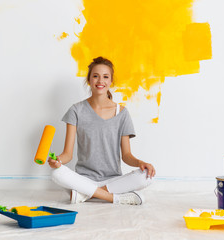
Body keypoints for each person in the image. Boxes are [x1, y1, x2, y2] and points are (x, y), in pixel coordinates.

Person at [48, 56, 156, 205]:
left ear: (111, 81)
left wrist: (140, 163)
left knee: (147, 176)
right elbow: (67, 154)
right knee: (56, 173)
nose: (100, 81)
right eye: (96, 76)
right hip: (84, 178)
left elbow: (126, 155)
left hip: (113, 179)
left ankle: (86, 194)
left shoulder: (122, 113)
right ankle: (113, 198)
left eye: (105, 77)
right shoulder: (75, 111)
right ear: (89, 79)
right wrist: (58, 161)